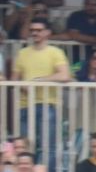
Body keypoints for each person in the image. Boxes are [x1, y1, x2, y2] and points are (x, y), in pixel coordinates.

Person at [12, 18, 70, 161]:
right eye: (32, 30)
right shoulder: (22, 53)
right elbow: (14, 78)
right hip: (24, 105)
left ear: (47, 33)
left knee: (48, 148)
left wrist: (40, 80)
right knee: (23, 148)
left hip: (48, 104)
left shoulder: (55, 52)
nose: (34, 33)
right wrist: (22, 86)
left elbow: (65, 75)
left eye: (38, 30)